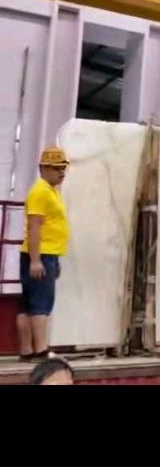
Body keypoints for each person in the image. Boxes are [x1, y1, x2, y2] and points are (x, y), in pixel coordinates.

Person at [16, 146, 70, 360]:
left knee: (28, 304)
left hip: (46, 253)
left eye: (63, 168)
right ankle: (40, 349)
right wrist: (36, 260)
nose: (61, 172)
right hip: (41, 254)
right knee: (41, 303)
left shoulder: (50, 191)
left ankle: (26, 350)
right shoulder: (40, 192)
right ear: (43, 169)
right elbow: (35, 226)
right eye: (56, 168)